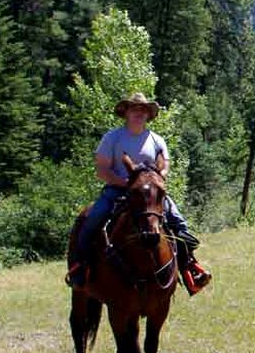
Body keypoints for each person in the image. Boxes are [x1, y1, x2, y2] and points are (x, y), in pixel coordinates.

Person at [66, 93, 211, 293]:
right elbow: (102, 169)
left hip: (150, 194)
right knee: (92, 220)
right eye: (134, 109)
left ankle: (190, 268)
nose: (138, 113)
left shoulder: (156, 140)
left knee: (179, 223)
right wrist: (127, 183)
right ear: (125, 112)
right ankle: (79, 267)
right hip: (117, 191)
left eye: (143, 110)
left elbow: (165, 164)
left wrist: (156, 179)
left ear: (148, 115)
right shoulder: (112, 138)